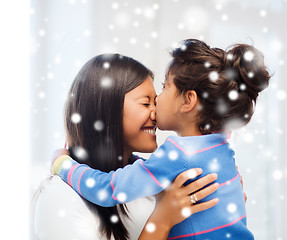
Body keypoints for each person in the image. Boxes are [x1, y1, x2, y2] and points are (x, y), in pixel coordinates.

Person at [53, 39, 271, 239]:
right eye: (145, 102)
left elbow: (107, 189)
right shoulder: (221, 148)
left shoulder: (178, 153)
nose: (156, 104)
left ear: (188, 101)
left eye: (165, 87)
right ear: (106, 109)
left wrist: (63, 165)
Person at [32, 53, 219, 240]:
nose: (156, 112)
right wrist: (161, 220)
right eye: (146, 103)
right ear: (105, 109)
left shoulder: (154, 186)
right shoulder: (59, 197)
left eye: (155, 102)